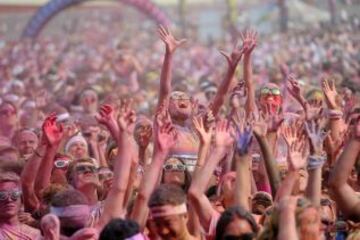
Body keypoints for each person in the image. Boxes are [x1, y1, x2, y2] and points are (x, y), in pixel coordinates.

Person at [0, 171, 41, 239]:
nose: (9, 200)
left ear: (21, 199)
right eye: (2, 196)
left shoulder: (34, 233)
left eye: (14, 195)